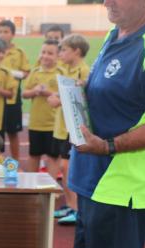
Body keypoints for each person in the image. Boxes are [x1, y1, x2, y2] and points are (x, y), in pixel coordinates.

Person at [60, 1, 145, 248]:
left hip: (121, 181)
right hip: (91, 176)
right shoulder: (117, 34)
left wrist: (109, 144)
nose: (108, 2)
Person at [48, 34, 91, 225]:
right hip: (61, 125)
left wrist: (59, 101)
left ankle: (76, 208)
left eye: (64, 49)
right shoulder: (66, 70)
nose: (60, 53)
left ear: (77, 51)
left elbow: (81, 100)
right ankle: (71, 205)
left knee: (68, 168)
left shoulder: (84, 71)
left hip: (72, 127)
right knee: (64, 168)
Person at [22, 39, 64, 176]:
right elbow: (24, 93)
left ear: (58, 56)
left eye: (50, 53)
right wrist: (34, 91)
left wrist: (48, 93)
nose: (45, 56)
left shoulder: (61, 73)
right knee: (34, 155)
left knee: (53, 157)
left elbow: (65, 96)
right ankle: (31, 187)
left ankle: (50, 190)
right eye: (43, 52)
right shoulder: (35, 72)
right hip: (36, 123)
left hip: (53, 124)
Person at [0, 19, 30, 161]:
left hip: (12, 98)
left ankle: (15, 163)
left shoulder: (19, 53)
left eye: (6, 32)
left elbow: (26, 72)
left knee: (13, 132)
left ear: (13, 34)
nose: (2, 35)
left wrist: (10, 73)